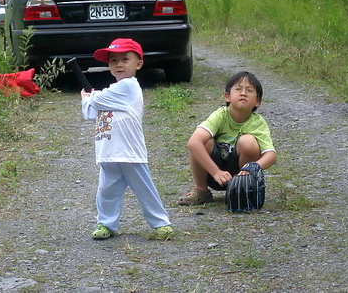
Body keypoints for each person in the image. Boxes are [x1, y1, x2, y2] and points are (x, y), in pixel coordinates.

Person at [81, 38, 173, 240]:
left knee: (144, 189)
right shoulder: (111, 92)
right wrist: (90, 99)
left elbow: (94, 101)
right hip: (108, 151)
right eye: (113, 60)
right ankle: (106, 224)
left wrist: (89, 97)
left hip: (130, 152)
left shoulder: (129, 87)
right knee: (106, 191)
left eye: (125, 59)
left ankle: (161, 224)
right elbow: (89, 113)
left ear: (138, 64)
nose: (119, 64)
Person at [178, 71, 277, 206]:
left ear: (257, 101)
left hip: (241, 175)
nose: (243, 93)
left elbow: (271, 155)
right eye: (238, 89)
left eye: (249, 90)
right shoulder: (221, 115)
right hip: (213, 173)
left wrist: (253, 167)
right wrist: (216, 172)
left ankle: (243, 190)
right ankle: (202, 190)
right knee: (203, 141)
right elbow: (193, 143)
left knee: (249, 142)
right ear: (227, 96)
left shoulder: (257, 123)